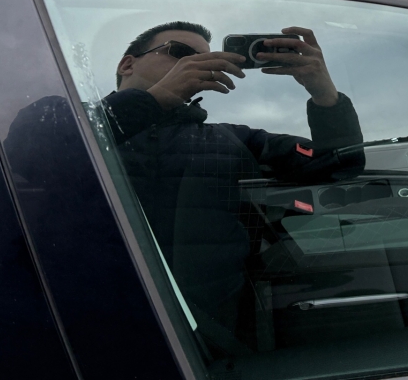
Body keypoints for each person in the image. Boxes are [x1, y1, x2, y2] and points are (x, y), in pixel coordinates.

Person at [99, 21, 364, 344]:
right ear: (127, 64)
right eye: (180, 53)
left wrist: (324, 92)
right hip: (89, 321)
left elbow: (339, 163)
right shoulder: (76, 123)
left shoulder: (232, 140)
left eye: (204, 58)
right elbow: (47, 149)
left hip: (211, 338)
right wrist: (153, 101)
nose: (195, 64)